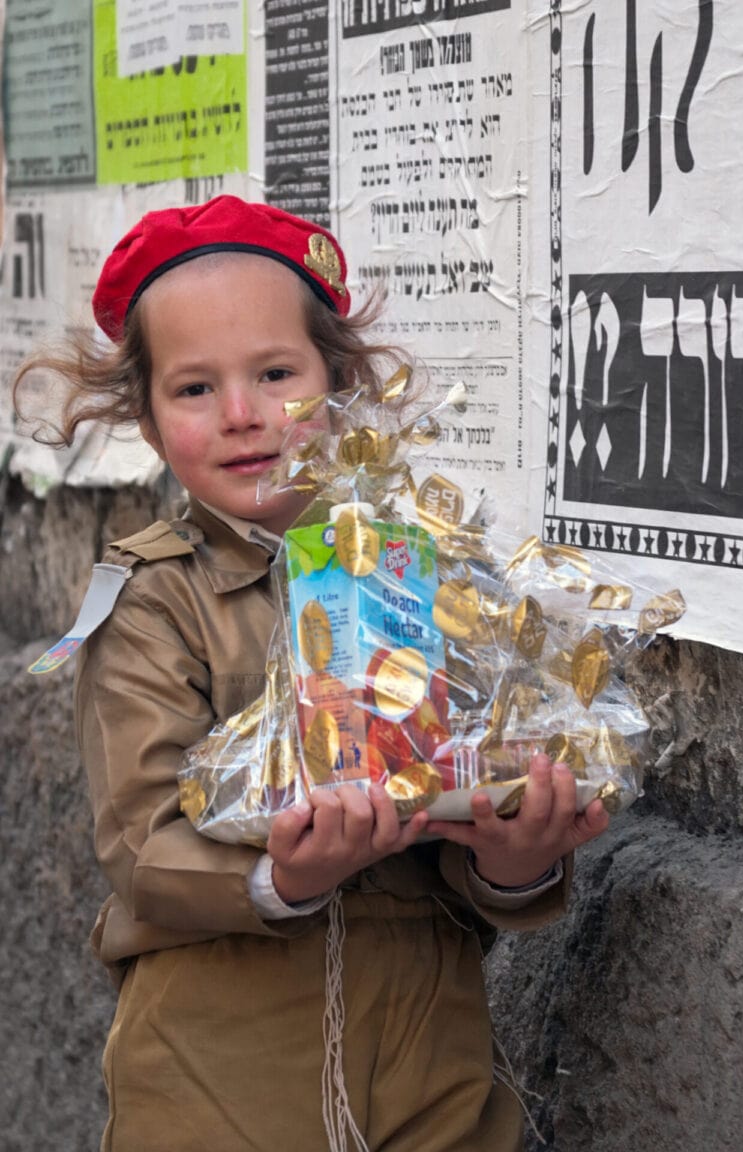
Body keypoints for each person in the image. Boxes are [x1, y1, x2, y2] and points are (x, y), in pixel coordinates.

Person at [14, 195, 610, 1152]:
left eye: (277, 373)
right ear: (152, 421)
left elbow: (461, 803)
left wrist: (516, 857)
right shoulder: (153, 602)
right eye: (195, 389)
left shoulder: (426, 580)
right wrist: (280, 877)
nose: (244, 416)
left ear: (337, 383)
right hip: (213, 1071)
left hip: (434, 1063)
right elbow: (140, 844)